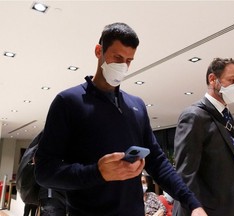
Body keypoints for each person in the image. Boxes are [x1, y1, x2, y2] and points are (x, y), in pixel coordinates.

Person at [35, 22, 207, 216]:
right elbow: (44, 171)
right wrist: (97, 172)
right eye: (117, 57)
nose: (123, 65)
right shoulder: (68, 102)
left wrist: (192, 203)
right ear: (98, 50)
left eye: (128, 60)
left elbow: (157, 161)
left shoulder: (136, 105)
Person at [173, 58, 234, 216]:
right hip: (214, 211)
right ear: (213, 79)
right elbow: (185, 173)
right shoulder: (194, 116)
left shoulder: (230, 118)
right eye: (232, 80)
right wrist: (193, 208)